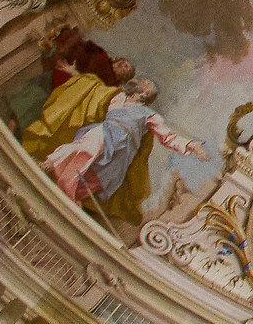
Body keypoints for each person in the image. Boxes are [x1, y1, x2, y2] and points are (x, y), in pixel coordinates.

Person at [41, 77, 209, 220]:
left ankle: (69, 202)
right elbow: (97, 93)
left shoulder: (149, 114)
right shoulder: (118, 98)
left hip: (121, 152)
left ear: (144, 94)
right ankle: (50, 164)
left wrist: (191, 145)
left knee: (94, 179)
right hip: (105, 133)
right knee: (84, 149)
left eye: (144, 82)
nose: (139, 80)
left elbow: (167, 137)